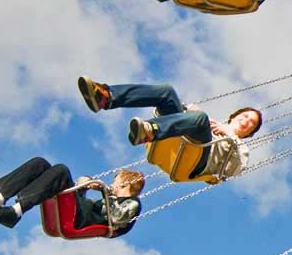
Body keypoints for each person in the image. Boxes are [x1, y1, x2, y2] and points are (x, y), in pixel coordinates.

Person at [78, 77, 261, 181]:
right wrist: (188, 111)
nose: (246, 122)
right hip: (180, 136)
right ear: (234, 115)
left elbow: (237, 169)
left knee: (200, 118)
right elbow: (195, 118)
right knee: (166, 92)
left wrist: (227, 133)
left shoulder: (240, 148)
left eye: (251, 124)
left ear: (249, 133)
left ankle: (151, 131)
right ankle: (106, 97)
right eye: (245, 116)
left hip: (197, 158)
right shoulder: (210, 121)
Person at [0, 158, 144, 236]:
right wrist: (83, 187)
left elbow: (116, 218)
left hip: (78, 220)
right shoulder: (107, 198)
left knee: (61, 170)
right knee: (40, 164)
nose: (112, 184)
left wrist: (103, 192)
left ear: (125, 184)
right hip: (78, 210)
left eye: (115, 180)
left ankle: (14, 212)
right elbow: (87, 204)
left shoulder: (133, 203)